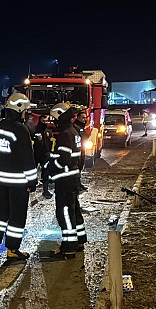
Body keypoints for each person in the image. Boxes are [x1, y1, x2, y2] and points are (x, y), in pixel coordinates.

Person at [0, 93, 37, 270]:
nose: (26, 114)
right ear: (19, 109)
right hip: (18, 182)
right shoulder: (20, 130)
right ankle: (12, 249)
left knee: (2, 213)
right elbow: (27, 159)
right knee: (17, 215)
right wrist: (32, 181)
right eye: (26, 110)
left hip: (1, 179)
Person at [46, 102, 87, 260]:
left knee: (65, 213)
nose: (54, 121)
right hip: (73, 178)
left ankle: (68, 248)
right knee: (74, 210)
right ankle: (79, 241)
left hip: (65, 179)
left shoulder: (64, 134)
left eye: (56, 118)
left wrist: (51, 166)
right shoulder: (74, 131)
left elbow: (62, 159)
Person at [32, 114, 53, 199]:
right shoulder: (36, 129)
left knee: (46, 172)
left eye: (46, 120)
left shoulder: (49, 130)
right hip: (37, 153)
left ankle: (45, 190)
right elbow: (33, 138)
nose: (45, 121)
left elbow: (51, 142)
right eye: (43, 120)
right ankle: (32, 186)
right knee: (33, 170)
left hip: (46, 154)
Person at [73, 110, 89, 193]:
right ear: (78, 118)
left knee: (80, 167)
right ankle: (76, 184)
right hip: (78, 150)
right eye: (83, 118)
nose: (84, 119)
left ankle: (79, 184)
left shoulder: (81, 127)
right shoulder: (75, 127)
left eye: (85, 118)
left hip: (82, 149)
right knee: (77, 167)